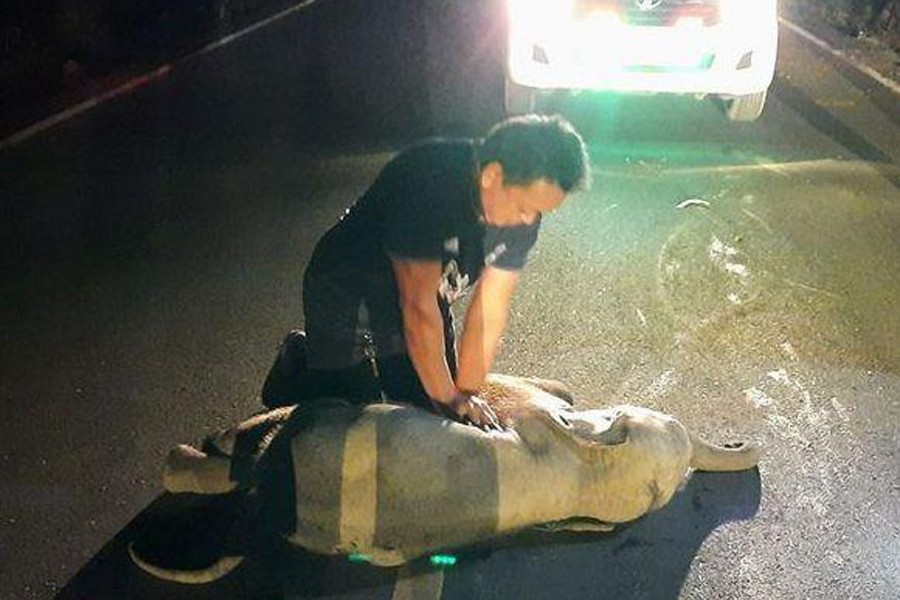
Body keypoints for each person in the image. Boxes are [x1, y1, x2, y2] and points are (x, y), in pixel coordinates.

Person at [262, 114, 590, 430]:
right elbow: (417, 309)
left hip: (428, 296)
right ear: (491, 176)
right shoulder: (430, 182)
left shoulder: (521, 215)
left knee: (432, 418)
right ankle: (300, 364)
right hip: (348, 291)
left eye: (540, 212)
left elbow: (489, 308)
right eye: (524, 208)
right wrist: (448, 396)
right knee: (349, 422)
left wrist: (466, 395)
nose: (529, 223)